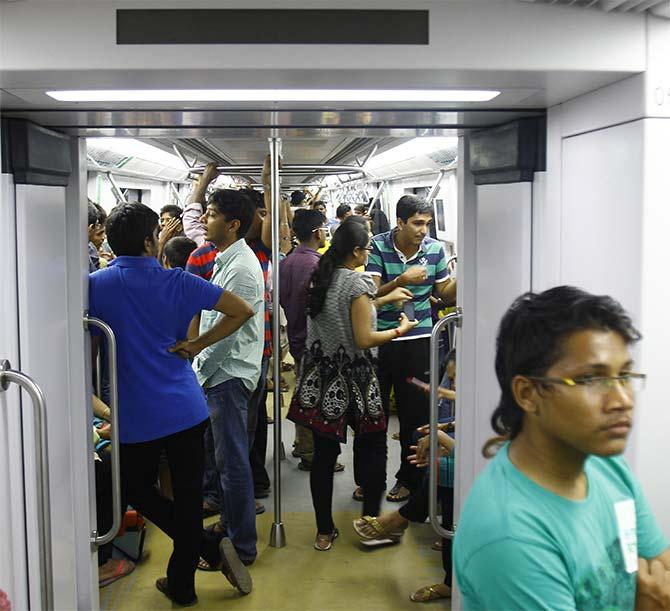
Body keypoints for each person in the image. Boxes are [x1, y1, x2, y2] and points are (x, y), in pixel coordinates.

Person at [453, 286, 670, 610]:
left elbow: (661, 565)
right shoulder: (511, 536)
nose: (622, 400)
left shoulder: (605, 466)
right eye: (590, 380)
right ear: (527, 393)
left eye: (624, 375)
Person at [89, 201, 254, 605]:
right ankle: (185, 579)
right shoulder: (180, 282)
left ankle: (203, 554)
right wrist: (196, 345)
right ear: (151, 241)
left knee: (134, 489)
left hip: (135, 415)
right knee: (186, 497)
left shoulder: (95, 285)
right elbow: (242, 310)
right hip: (185, 408)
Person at [288, 218, 416, 551]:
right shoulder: (357, 284)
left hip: (321, 377)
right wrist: (400, 328)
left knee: (324, 457)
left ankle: (324, 531)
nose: (370, 252)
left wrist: (383, 300)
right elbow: (363, 336)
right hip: (357, 379)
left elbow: (347, 312)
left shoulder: (322, 277)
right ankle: (373, 523)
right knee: (373, 448)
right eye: (367, 247)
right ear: (356, 251)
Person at [366, 194, 456, 503]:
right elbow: (371, 292)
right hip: (381, 339)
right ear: (400, 222)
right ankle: (370, 478)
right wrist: (402, 279)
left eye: (427, 224)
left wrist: (464, 275)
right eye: (417, 223)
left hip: (419, 341)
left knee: (413, 417)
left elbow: (443, 292)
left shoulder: (434, 250)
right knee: (373, 414)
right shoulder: (377, 246)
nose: (423, 230)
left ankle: (408, 479)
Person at [191, 188, 264, 568]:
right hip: (223, 372)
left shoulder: (240, 268)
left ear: (233, 225)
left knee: (232, 461)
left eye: (213, 214)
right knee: (224, 458)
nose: (206, 218)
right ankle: (230, 524)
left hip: (228, 374)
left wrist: (197, 361)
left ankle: (242, 546)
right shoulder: (227, 259)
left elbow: (227, 331)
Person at [279, 209, 328, 470]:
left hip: (297, 337)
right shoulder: (317, 265)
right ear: (318, 232)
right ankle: (311, 453)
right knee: (315, 399)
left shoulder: (286, 262)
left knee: (303, 391)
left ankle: (301, 443)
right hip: (314, 341)